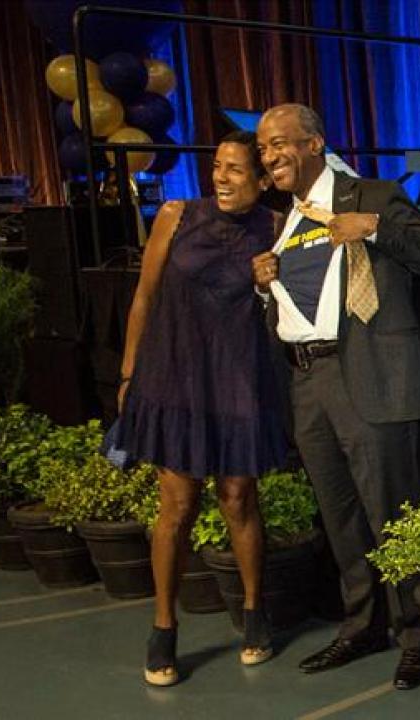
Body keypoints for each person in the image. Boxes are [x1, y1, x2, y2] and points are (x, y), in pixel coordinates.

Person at [251, 104, 420, 687]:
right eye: (264, 149)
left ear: (314, 143)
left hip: (367, 376)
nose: (269, 157)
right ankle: (362, 627)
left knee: (391, 512)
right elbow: (302, 307)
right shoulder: (287, 219)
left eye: (279, 144)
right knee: (341, 517)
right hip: (309, 381)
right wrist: (266, 288)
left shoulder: (373, 193)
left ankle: (419, 635)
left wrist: (372, 228)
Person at [116, 131, 287, 687]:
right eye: (218, 166)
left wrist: (268, 286)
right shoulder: (175, 214)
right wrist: (127, 372)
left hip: (238, 378)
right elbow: (143, 296)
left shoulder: (276, 228)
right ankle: (163, 627)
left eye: (237, 170)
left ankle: (255, 614)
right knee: (177, 504)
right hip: (176, 377)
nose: (222, 177)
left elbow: (286, 310)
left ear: (261, 181)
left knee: (238, 497)